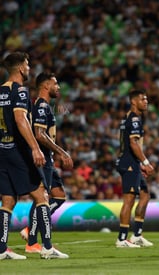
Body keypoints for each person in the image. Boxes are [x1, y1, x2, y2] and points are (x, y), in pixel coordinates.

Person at [0, 52, 67, 259]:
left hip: (1, 150)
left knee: (8, 200)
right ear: (21, 68)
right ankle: (46, 247)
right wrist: (35, 148)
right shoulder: (19, 91)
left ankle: (1, 249)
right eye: (27, 65)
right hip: (16, 150)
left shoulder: (0, 91)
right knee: (41, 195)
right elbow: (21, 120)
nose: (29, 69)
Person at [19, 72, 74, 253]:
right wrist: (62, 152)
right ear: (45, 86)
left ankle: (31, 234)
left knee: (58, 197)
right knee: (41, 198)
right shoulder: (41, 107)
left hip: (47, 158)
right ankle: (33, 241)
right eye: (55, 83)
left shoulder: (44, 106)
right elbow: (39, 134)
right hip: (42, 159)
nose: (58, 87)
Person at [115, 89, 155, 248]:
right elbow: (133, 143)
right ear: (133, 101)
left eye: (146, 99)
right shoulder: (135, 119)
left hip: (132, 162)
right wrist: (145, 162)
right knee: (129, 200)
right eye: (142, 99)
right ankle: (122, 238)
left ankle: (137, 234)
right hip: (130, 163)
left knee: (145, 196)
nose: (146, 101)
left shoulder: (128, 118)